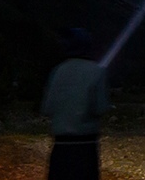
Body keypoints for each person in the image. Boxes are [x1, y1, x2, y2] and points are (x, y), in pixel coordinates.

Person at [41, 28, 110, 180]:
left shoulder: (58, 71)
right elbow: (100, 108)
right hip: (86, 144)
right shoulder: (97, 71)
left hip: (61, 146)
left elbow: (48, 108)